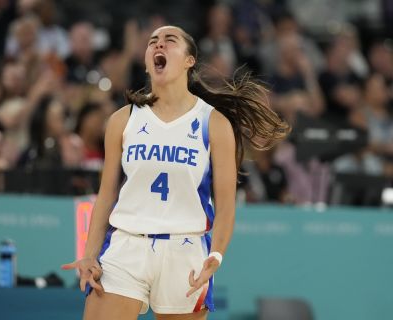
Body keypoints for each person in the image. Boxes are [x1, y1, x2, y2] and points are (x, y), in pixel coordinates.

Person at [61, 25, 289, 320]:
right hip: (128, 243)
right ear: (146, 61)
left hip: (186, 249)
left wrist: (216, 255)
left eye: (170, 41)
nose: (159, 45)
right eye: (152, 42)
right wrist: (90, 253)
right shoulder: (122, 119)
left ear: (189, 60)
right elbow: (106, 195)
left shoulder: (214, 123)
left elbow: (226, 207)